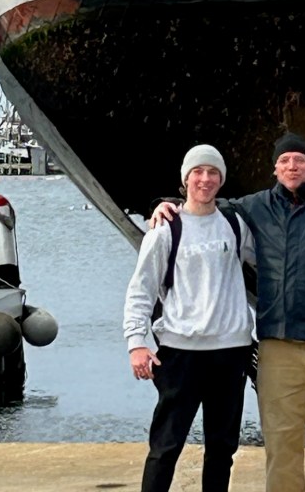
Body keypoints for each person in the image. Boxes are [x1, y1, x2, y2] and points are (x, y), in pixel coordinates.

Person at [151, 132, 305, 492]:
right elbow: (209, 205)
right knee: (281, 448)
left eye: (299, 160)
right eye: (284, 161)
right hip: (277, 348)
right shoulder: (256, 206)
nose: (292, 166)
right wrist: (166, 203)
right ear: (275, 170)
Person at [123, 144, 256, 492]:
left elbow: (270, 260)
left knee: (222, 448)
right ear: (185, 179)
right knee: (166, 446)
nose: (205, 179)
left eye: (213, 172)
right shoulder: (166, 229)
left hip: (231, 350)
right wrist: (136, 343)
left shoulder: (235, 224)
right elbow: (141, 289)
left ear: (221, 179)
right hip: (181, 352)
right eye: (198, 172)